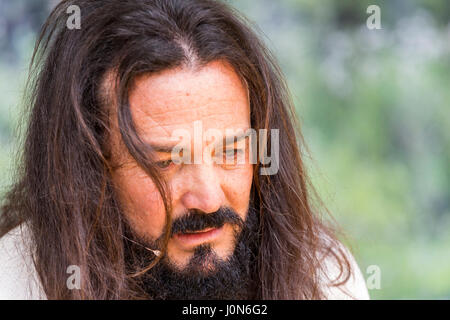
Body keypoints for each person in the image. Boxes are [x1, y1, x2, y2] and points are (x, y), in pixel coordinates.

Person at [0, 0, 369, 300]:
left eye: (231, 151)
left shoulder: (324, 279)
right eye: (164, 162)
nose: (208, 200)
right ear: (88, 167)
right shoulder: (13, 286)